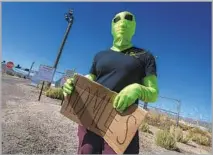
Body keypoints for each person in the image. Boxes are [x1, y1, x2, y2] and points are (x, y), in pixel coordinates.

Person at [63, 11, 159, 154]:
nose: (122, 22)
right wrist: (74, 84)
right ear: (111, 27)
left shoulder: (145, 56)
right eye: (116, 19)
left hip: (122, 121)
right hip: (91, 116)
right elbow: (90, 77)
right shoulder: (100, 55)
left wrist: (137, 89)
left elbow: (153, 93)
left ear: (134, 26)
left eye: (128, 18)